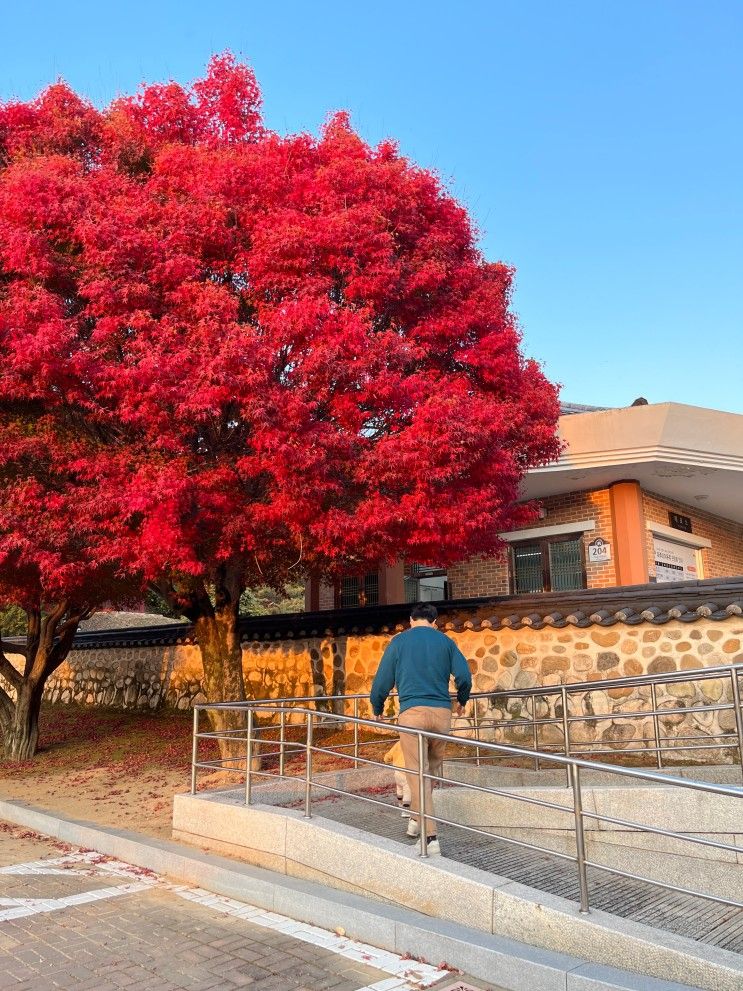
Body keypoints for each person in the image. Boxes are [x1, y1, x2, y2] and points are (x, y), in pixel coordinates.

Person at [370, 602, 472, 856]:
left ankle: (431, 838)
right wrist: (462, 699)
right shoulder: (446, 642)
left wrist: (377, 706)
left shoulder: (399, 642)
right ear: (434, 622)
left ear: (411, 620)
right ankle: (416, 819)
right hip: (441, 716)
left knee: (417, 775)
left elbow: (382, 679)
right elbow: (464, 675)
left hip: (412, 714)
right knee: (430, 771)